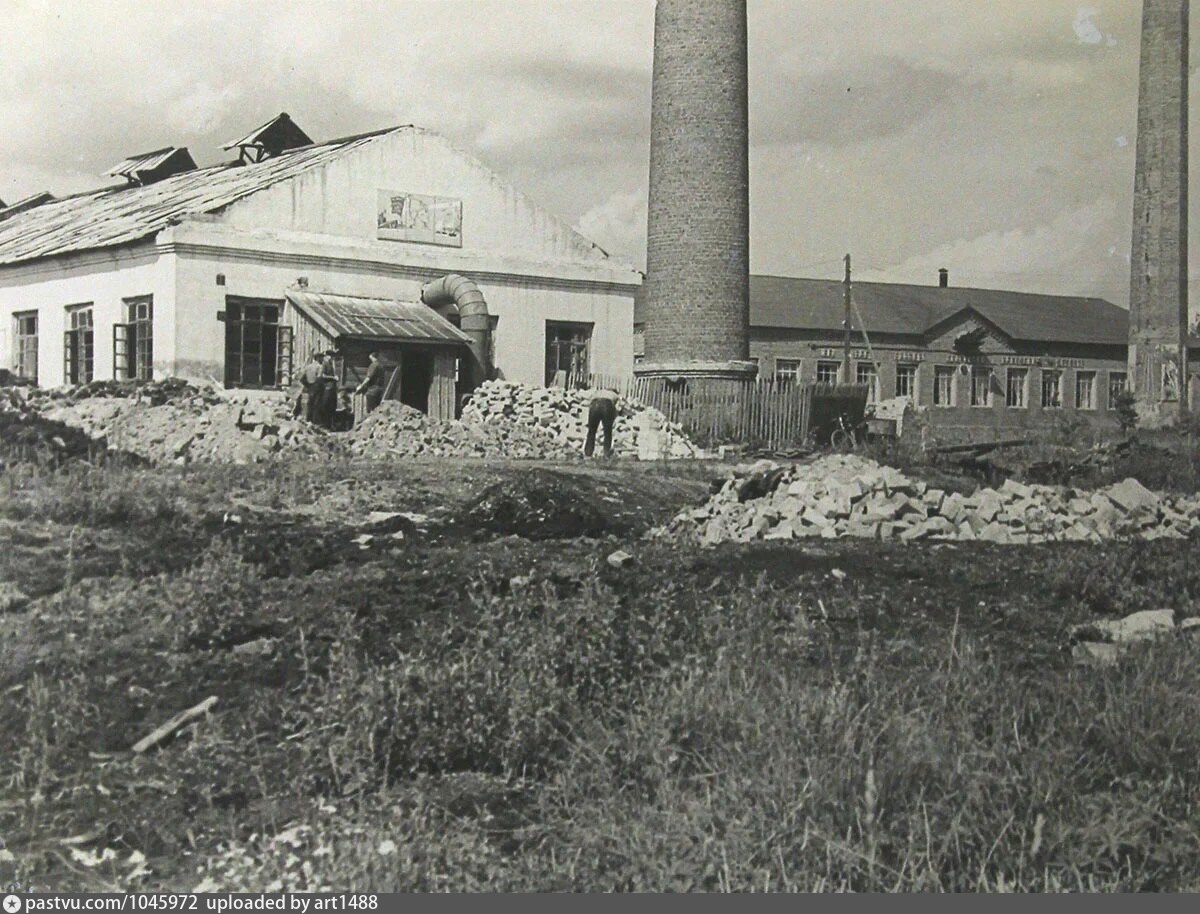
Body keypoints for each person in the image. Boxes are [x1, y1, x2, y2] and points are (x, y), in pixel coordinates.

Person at [584, 387, 619, 458]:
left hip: (594, 406)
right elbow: (617, 408)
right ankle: (606, 453)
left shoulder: (598, 392)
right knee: (607, 432)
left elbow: (589, 402)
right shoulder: (615, 395)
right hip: (607, 405)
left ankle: (588, 453)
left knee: (591, 431)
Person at [296, 350, 324, 421]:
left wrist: (308, 385)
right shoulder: (320, 367)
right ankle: (314, 422)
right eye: (321, 357)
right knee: (316, 405)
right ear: (318, 358)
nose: (323, 359)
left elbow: (301, 378)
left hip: (309, 388)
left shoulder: (308, 367)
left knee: (309, 404)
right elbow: (319, 378)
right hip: (317, 387)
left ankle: (307, 420)